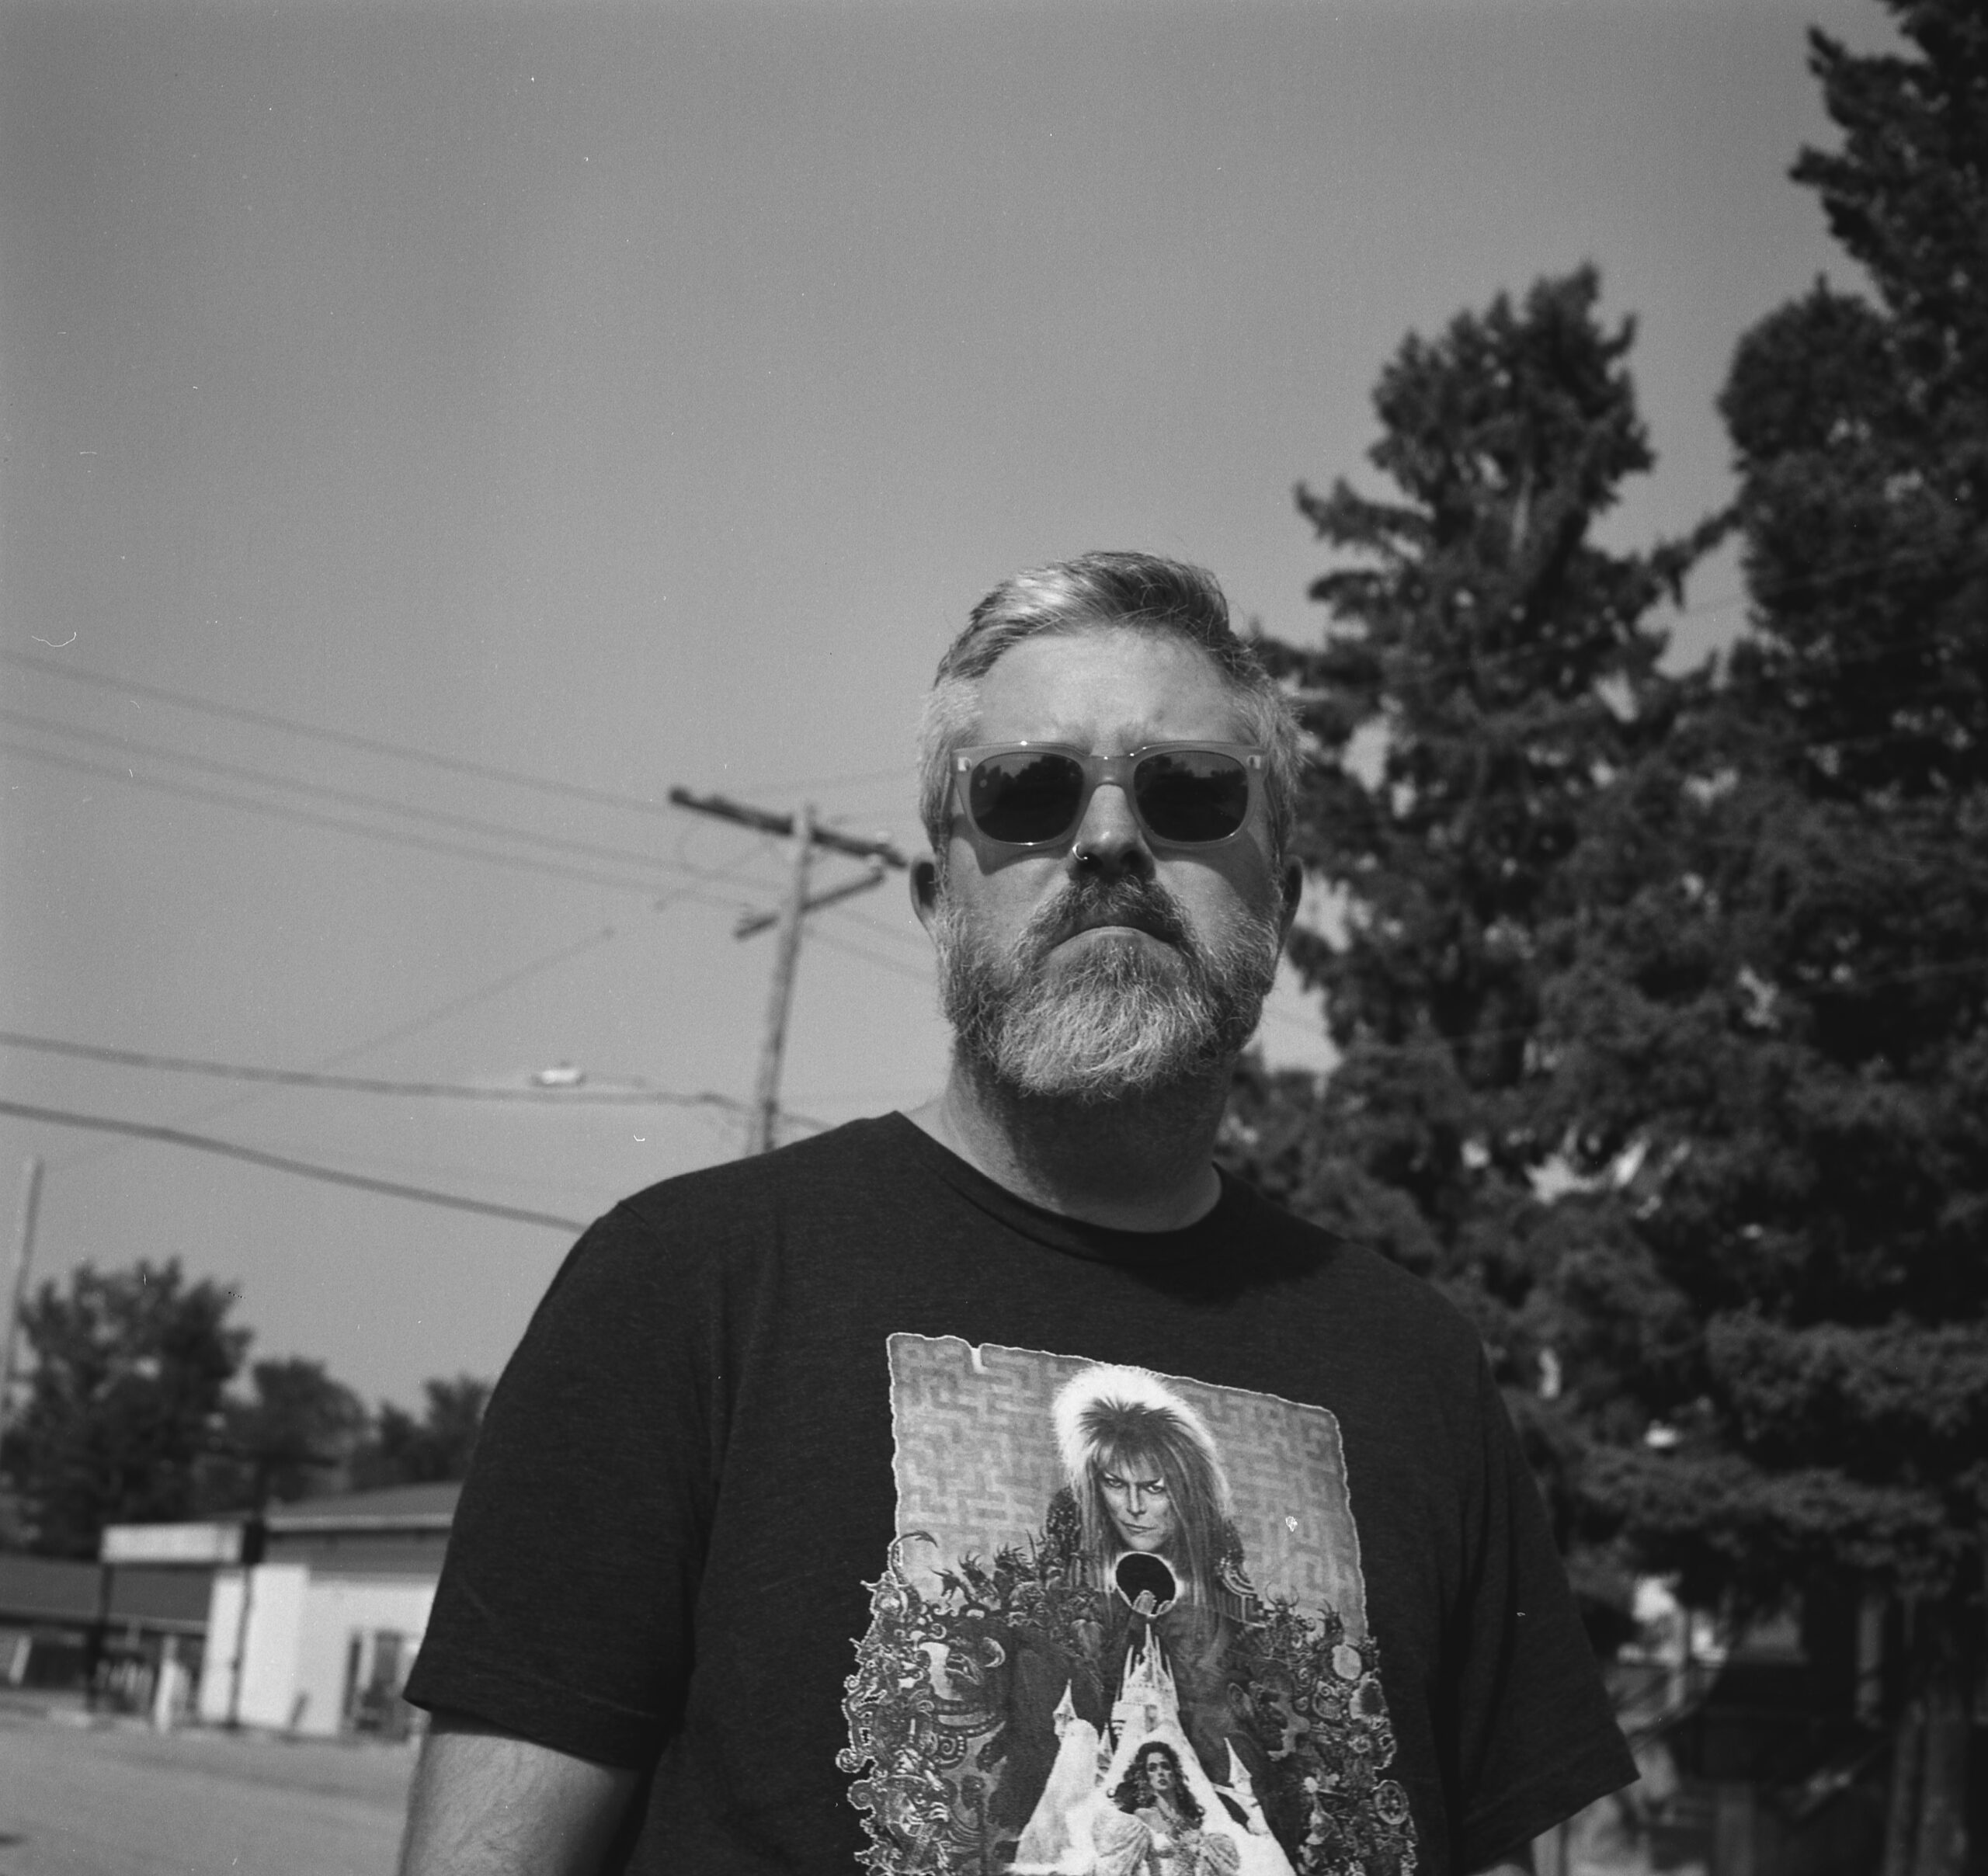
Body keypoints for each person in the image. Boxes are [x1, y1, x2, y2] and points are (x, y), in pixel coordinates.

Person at [398, 551, 1635, 1875]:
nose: (1108, 838)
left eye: (1191, 792)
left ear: (1280, 902)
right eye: (1031, 793)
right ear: (940, 900)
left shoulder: (1420, 1373)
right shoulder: (685, 1288)